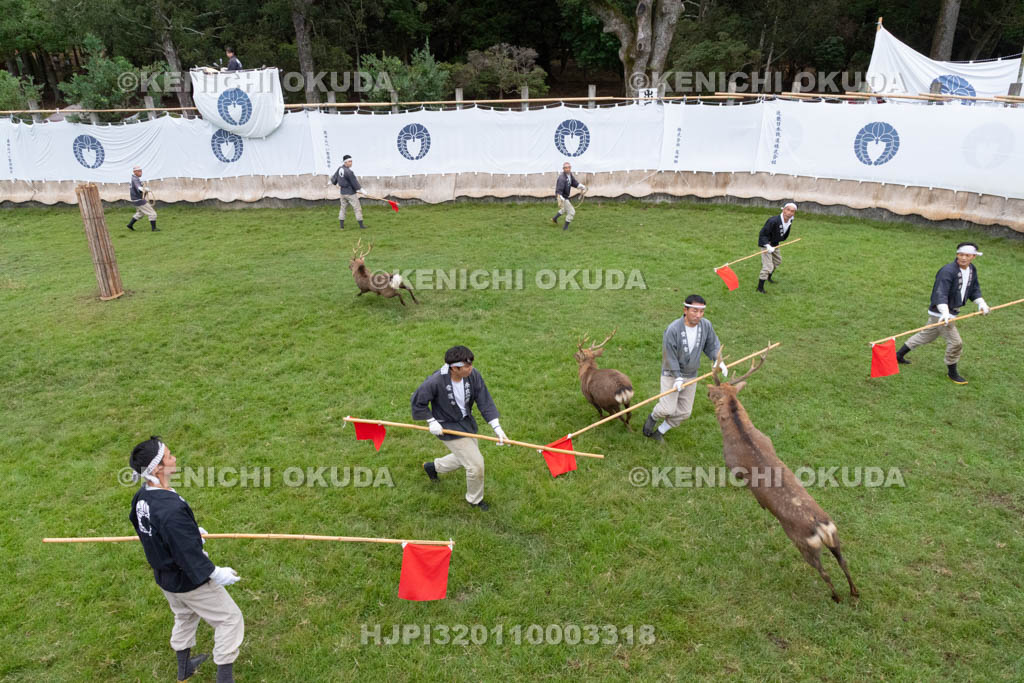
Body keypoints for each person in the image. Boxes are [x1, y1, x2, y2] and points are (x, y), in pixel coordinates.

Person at [128, 437, 243, 683]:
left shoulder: (143, 496)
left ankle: (185, 669)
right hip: (188, 580)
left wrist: (189, 532)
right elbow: (188, 556)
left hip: (166, 578)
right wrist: (216, 573)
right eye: (169, 456)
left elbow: (148, 528)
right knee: (229, 620)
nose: (174, 458)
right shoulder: (170, 511)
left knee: (184, 615)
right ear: (157, 468)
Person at [411, 346, 509, 511]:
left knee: (464, 456)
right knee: (476, 466)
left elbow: (484, 400)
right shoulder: (436, 381)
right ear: (454, 368)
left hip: (466, 423)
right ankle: (474, 500)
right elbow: (417, 402)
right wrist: (432, 421)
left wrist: (497, 428)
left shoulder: (473, 375)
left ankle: (433, 467)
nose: (471, 368)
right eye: (466, 366)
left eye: (471, 364)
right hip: (447, 426)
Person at [895, 242, 990, 384]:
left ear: (974, 257)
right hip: (942, 314)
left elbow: (974, 288)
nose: (963, 258)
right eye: (961, 254)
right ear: (957, 254)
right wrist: (944, 312)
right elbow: (940, 292)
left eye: (967, 255)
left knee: (926, 335)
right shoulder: (947, 271)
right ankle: (952, 373)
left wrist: (981, 303)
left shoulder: (972, 269)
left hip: (950, 312)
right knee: (956, 343)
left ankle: (898, 355)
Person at [642, 295, 728, 443]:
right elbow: (669, 356)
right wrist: (677, 377)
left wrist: (718, 360)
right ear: (685, 310)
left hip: (691, 375)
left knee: (684, 412)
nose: (698, 315)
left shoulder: (706, 325)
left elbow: (712, 345)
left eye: (701, 311)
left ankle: (659, 432)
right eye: (694, 311)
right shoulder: (673, 329)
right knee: (667, 409)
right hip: (671, 374)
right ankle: (653, 417)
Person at [756, 202, 797, 293]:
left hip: (775, 244)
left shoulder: (790, 220)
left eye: (792, 211)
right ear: (783, 210)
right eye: (788, 210)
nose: (789, 213)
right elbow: (762, 234)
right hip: (766, 244)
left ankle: (768, 277)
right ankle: (760, 288)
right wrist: (767, 245)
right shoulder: (773, 221)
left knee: (778, 261)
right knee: (768, 266)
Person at [331, 154, 367, 230]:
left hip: (342, 193)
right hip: (350, 193)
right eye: (349, 161)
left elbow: (334, 178)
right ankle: (361, 226)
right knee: (357, 208)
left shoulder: (339, 168)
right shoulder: (349, 172)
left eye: (351, 161)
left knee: (343, 208)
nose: (351, 163)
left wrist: (334, 182)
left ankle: (341, 227)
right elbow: (354, 182)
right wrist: (361, 190)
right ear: (345, 162)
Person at [552, 161, 586, 231]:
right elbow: (559, 190)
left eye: (569, 167)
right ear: (563, 169)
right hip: (562, 197)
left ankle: (554, 218)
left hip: (565, 196)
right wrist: (560, 197)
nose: (568, 169)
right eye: (566, 168)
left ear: (570, 168)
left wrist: (581, 186)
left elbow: (574, 182)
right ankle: (565, 228)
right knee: (572, 212)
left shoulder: (569, 175)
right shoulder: (562, 178)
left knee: (564, 209)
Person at [128, 166, 158, 232]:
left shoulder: (134, 178)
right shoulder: (135, 179)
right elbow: (139, 188)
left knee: (140, 213)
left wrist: (144, 189)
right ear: (134, 172)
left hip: (135, 199)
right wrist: (145, 189)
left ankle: (130, 225)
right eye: (139, 171)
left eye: (141, 171)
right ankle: (154, 229)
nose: (141, 172)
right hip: (139, 200)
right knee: (152, 213)